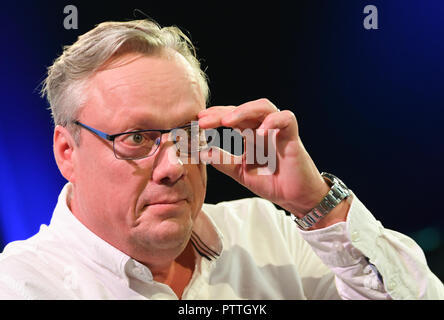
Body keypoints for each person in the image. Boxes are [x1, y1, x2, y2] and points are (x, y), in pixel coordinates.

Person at [0, 19, 442, 300]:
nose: (175, 166)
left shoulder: (269, 233)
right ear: (67, 152)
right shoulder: (21, 286)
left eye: (189, 133)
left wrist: (315, 205)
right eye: (137, 137)